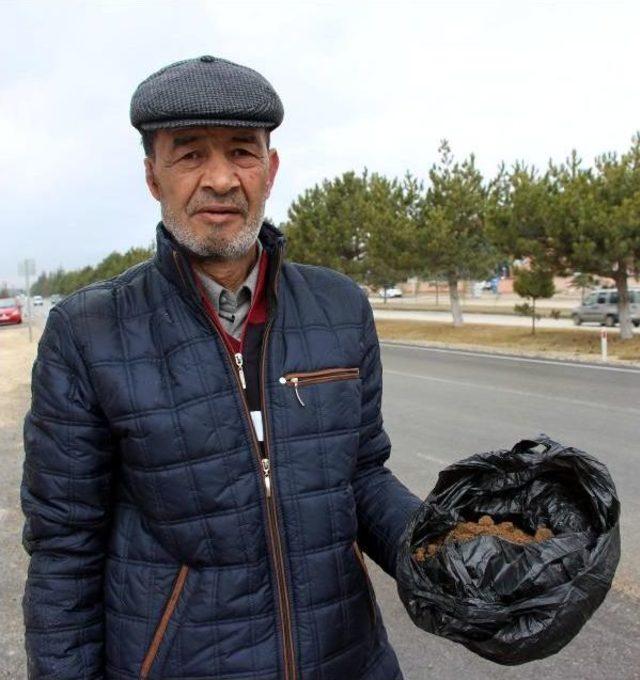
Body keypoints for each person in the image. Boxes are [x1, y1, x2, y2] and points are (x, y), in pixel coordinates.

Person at [21, 56, 421, 680]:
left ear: (271, 168)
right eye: (189, 155)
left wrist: (438, 550)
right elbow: (64, 549)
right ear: (152, 175)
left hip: (349, 660)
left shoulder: (341, 307)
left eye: (242, 152)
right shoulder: (88, 331)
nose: (220, 180)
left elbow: (361, 474)